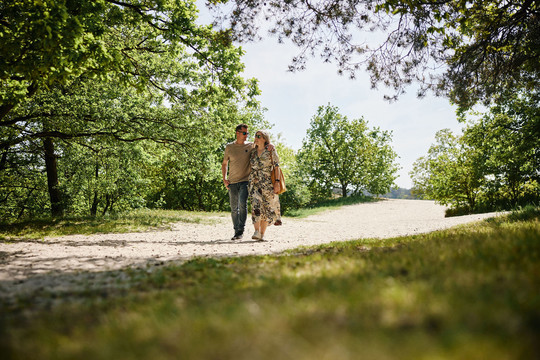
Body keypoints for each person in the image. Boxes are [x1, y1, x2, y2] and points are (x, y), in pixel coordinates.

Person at [222, 124, 275, 240]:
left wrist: (271, 145)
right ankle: (236, 230)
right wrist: (224, 179)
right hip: (232, 182)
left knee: (242, 204)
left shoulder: (251, 146)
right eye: (244, 133)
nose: (247, 136)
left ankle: (240, 231)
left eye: (248, 134)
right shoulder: (229, 147)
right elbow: (224, 164)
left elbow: (264, 146)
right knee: (233, 207)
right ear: (238, 133)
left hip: (246, 181)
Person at [249, 130, 282, 241]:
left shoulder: (270, 151)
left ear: (265, 138)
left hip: (268, 183)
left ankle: (262, 234)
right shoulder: (252, 151)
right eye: (255, 136)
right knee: (255, 206)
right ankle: (256, 231)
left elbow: (277, 167)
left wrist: (277, 182)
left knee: (266, 208)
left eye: (259, 136)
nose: (256, 138)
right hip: (254, 183)